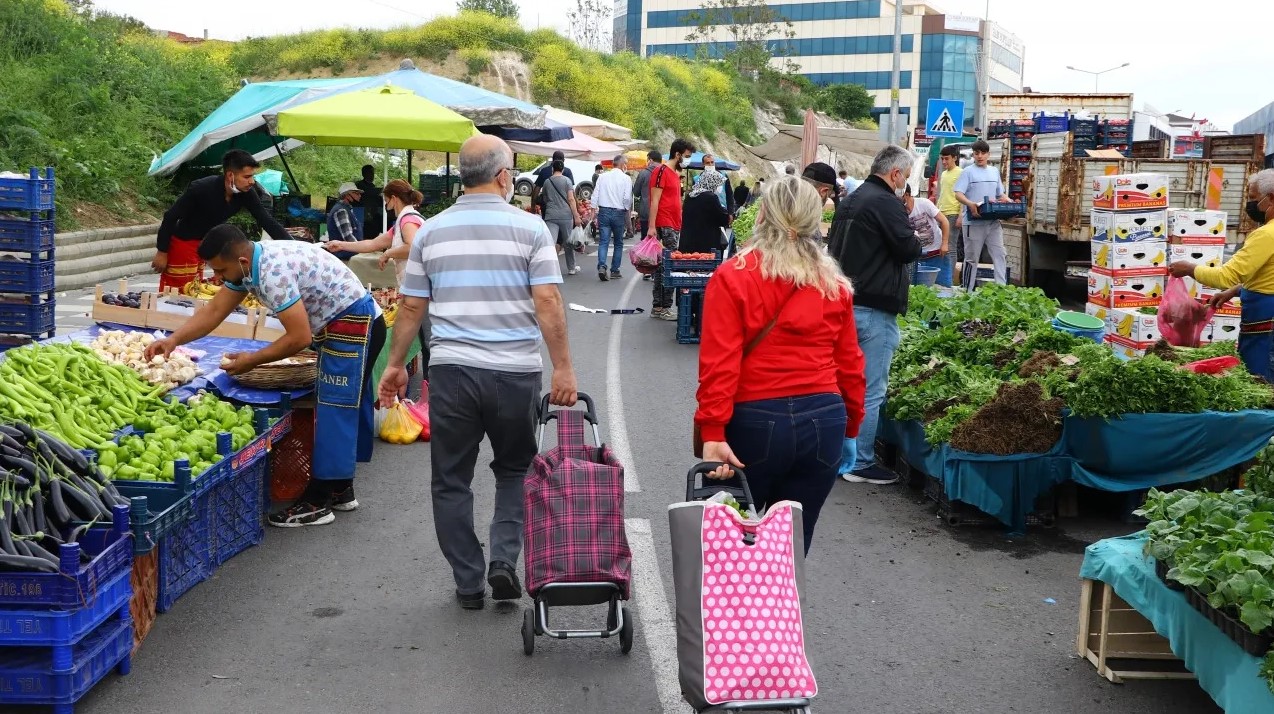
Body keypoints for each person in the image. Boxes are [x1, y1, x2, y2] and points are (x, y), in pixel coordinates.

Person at [377, 134, 578, 611]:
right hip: (514, 373)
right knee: (514, 470)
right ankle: (504, 560)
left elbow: (410, 306)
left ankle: (469, 581)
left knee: (450, 479)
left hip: (451, 374)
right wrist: (564, 369)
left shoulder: (430, 232)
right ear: (504, 177)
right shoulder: (531, 231)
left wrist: (394, 366)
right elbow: (547, 302)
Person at [146, 225, 385, 527]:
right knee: (335, 405)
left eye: (220, 270)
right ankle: (339, 488)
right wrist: (173, 340)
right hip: (344, 325)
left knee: (334, 410)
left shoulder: (272, 272)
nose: (217, 278)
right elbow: (215, 309)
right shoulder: (248, 266)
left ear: (240, 260)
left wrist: (252, 361)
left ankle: (317, 501)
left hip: (354, 324)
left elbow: (298, 337)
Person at [696, 176, 866, 554]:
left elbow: (719, 364)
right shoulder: (832, 283)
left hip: (756, 419)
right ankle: (785, 611)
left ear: (762, 215)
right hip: (824, 420)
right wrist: (851, 428)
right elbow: (850, 364)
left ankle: (740, 612)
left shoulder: (733, 276)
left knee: (740, 543)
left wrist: (713, 432)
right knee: (792, 547)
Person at [827, 145, 922, 485]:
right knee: (870, 388)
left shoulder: (851, 198)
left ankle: (838, 455)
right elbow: (909, 248)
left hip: (845, 302)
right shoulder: (884, 202)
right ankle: (860, 461)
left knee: (842, 384)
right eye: (905, 178)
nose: (905, 185)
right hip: (873, 307)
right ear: (895, 174)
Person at [1169, 169, 1274, 379]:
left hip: (1265, 315)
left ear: (1271, 198)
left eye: (1254, 198)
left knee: (1259, 375)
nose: (1250, 205)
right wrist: (1233, 292)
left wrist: (1189, 268)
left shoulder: (1266, 235)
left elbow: (1225, 276)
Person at [325, 179, 429, 377]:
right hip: (417, 290)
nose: (385, 204)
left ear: (393, 198)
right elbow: (372, 244)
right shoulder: (401, 222)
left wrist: (388, 253)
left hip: (423, 291)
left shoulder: (408, 219)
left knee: (429, 344)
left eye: (386, 199)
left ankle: (430, 393)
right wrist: (341, 244)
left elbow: (413, 247)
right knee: (426, 342)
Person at [153, 149, 291, 292]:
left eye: (252, 176)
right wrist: (162, 251)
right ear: (230, 175)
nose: (252, 181)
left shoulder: (247, 193)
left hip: (208, 245)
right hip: (183, 243)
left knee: (197, 290)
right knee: (178, 291)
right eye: (247, 176)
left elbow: (266, 220)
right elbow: (170, 216)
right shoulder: (200, 188)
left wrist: (293, 245)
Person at [648, 138, 696, 320]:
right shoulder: (661, 171)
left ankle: (659, 307)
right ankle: (663, 307)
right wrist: (652, 227)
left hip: (673, 224)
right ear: (677, 154)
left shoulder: (675, 174)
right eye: (687, 156)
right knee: (668, 265)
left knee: (664, 266)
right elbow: (655, 200)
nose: (687, 159)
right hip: (664, 223)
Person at [953, 139, 1011, 284]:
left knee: (1000, 254)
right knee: (972, 258)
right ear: (973, 155)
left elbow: (1000, 194)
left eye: (983, 153)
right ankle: (968, 289)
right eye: (977, 153)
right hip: (973, 222)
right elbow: (958, 193)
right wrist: (970, 204)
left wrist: (1009, 201)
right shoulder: (967, 172)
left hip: (992, 222)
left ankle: (1001, 289)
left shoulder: (994, 171)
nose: (980, 156)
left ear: (988, 155)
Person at [592, 153, 633, 281]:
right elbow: (627, 198)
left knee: (604, 241)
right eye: (625, 163)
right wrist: (626, 209)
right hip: (618, 213)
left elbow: (595, 195)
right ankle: (615, 270)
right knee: (618, 243)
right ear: (622, 165)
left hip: (603, 211)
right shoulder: (626, 179)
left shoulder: (602, 177)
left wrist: (593, 210)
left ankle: (602, 266)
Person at [903, 186, 952, 287]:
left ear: (907, 195)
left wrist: (945, 243)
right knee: (919, 291)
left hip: (938, 254)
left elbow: (944, 221)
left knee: (943, 287)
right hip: (917, 258)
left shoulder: (923, 203)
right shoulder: (898, 210)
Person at [542, 160, 583, 276]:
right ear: (563, 169)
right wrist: (576, 216)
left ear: (552, 169)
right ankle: (571, 268)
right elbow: (571, 199)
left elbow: (545, 198)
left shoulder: (547, 182)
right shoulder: (567, 180)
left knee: (550, 243)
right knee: (568, 243)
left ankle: (549, 268)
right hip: (565, 215)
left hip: (551, 216)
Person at [679, 170, 731, 254]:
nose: (718, 186)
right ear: (711, 182)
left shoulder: (690, 196)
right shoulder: (711, 197)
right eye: (717, 183)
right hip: (706, 244)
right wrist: (724, 210)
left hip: (687, 243)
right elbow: (723, 219)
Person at [936, 145, 965, 281]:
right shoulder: (944, 173)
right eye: (942, 159)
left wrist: (960, 215)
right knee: (939, 245)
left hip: (953, 213)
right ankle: (942, 276)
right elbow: (941, 194)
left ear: (955, 158)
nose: (944, 162)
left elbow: (963, 195)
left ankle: (950, 279)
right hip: (941, 213)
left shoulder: (960, 172)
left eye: (947, 158)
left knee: (951, 247)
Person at [326, 182, 364, 261]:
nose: (359, 196)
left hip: (347, 255)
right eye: (356, 193)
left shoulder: (347, 209)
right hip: (343, 257)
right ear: (347, 195)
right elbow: (348, 237)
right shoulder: (341, 210)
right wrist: (363, 249)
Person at [695, 154, 736, 218]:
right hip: (704, 213)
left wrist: (730, 212)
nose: (710, 165)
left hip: (721, 211)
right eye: (707, 163)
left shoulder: (723, 176)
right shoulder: (697, 179)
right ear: (703, 164)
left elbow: (729, 194)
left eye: (712, 162)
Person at [356, 164, 384, 238]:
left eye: (373, 173)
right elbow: (369, 192)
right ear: (363, 174)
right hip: (364, 215)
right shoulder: (360, 185)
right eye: (370, 173)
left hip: (374, 213)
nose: (372, 175)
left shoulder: (372, 185)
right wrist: (383, 189)